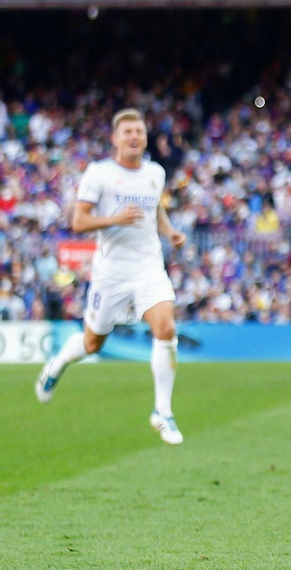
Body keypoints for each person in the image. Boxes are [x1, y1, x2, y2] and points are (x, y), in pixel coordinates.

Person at [35, 109, 187, 445]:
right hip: (111, 274)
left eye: (139, 131)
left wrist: (169, 230)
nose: (134, 137)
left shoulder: (155, 172)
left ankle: (162, 412)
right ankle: (57, 364)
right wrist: (114, 219)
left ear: (145, 138)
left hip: (149, 268)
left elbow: (155, 207)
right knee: (93, 343)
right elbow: (79, 222)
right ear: (115, 139)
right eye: (127, 132)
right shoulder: (100, 174)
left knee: (166, 328)